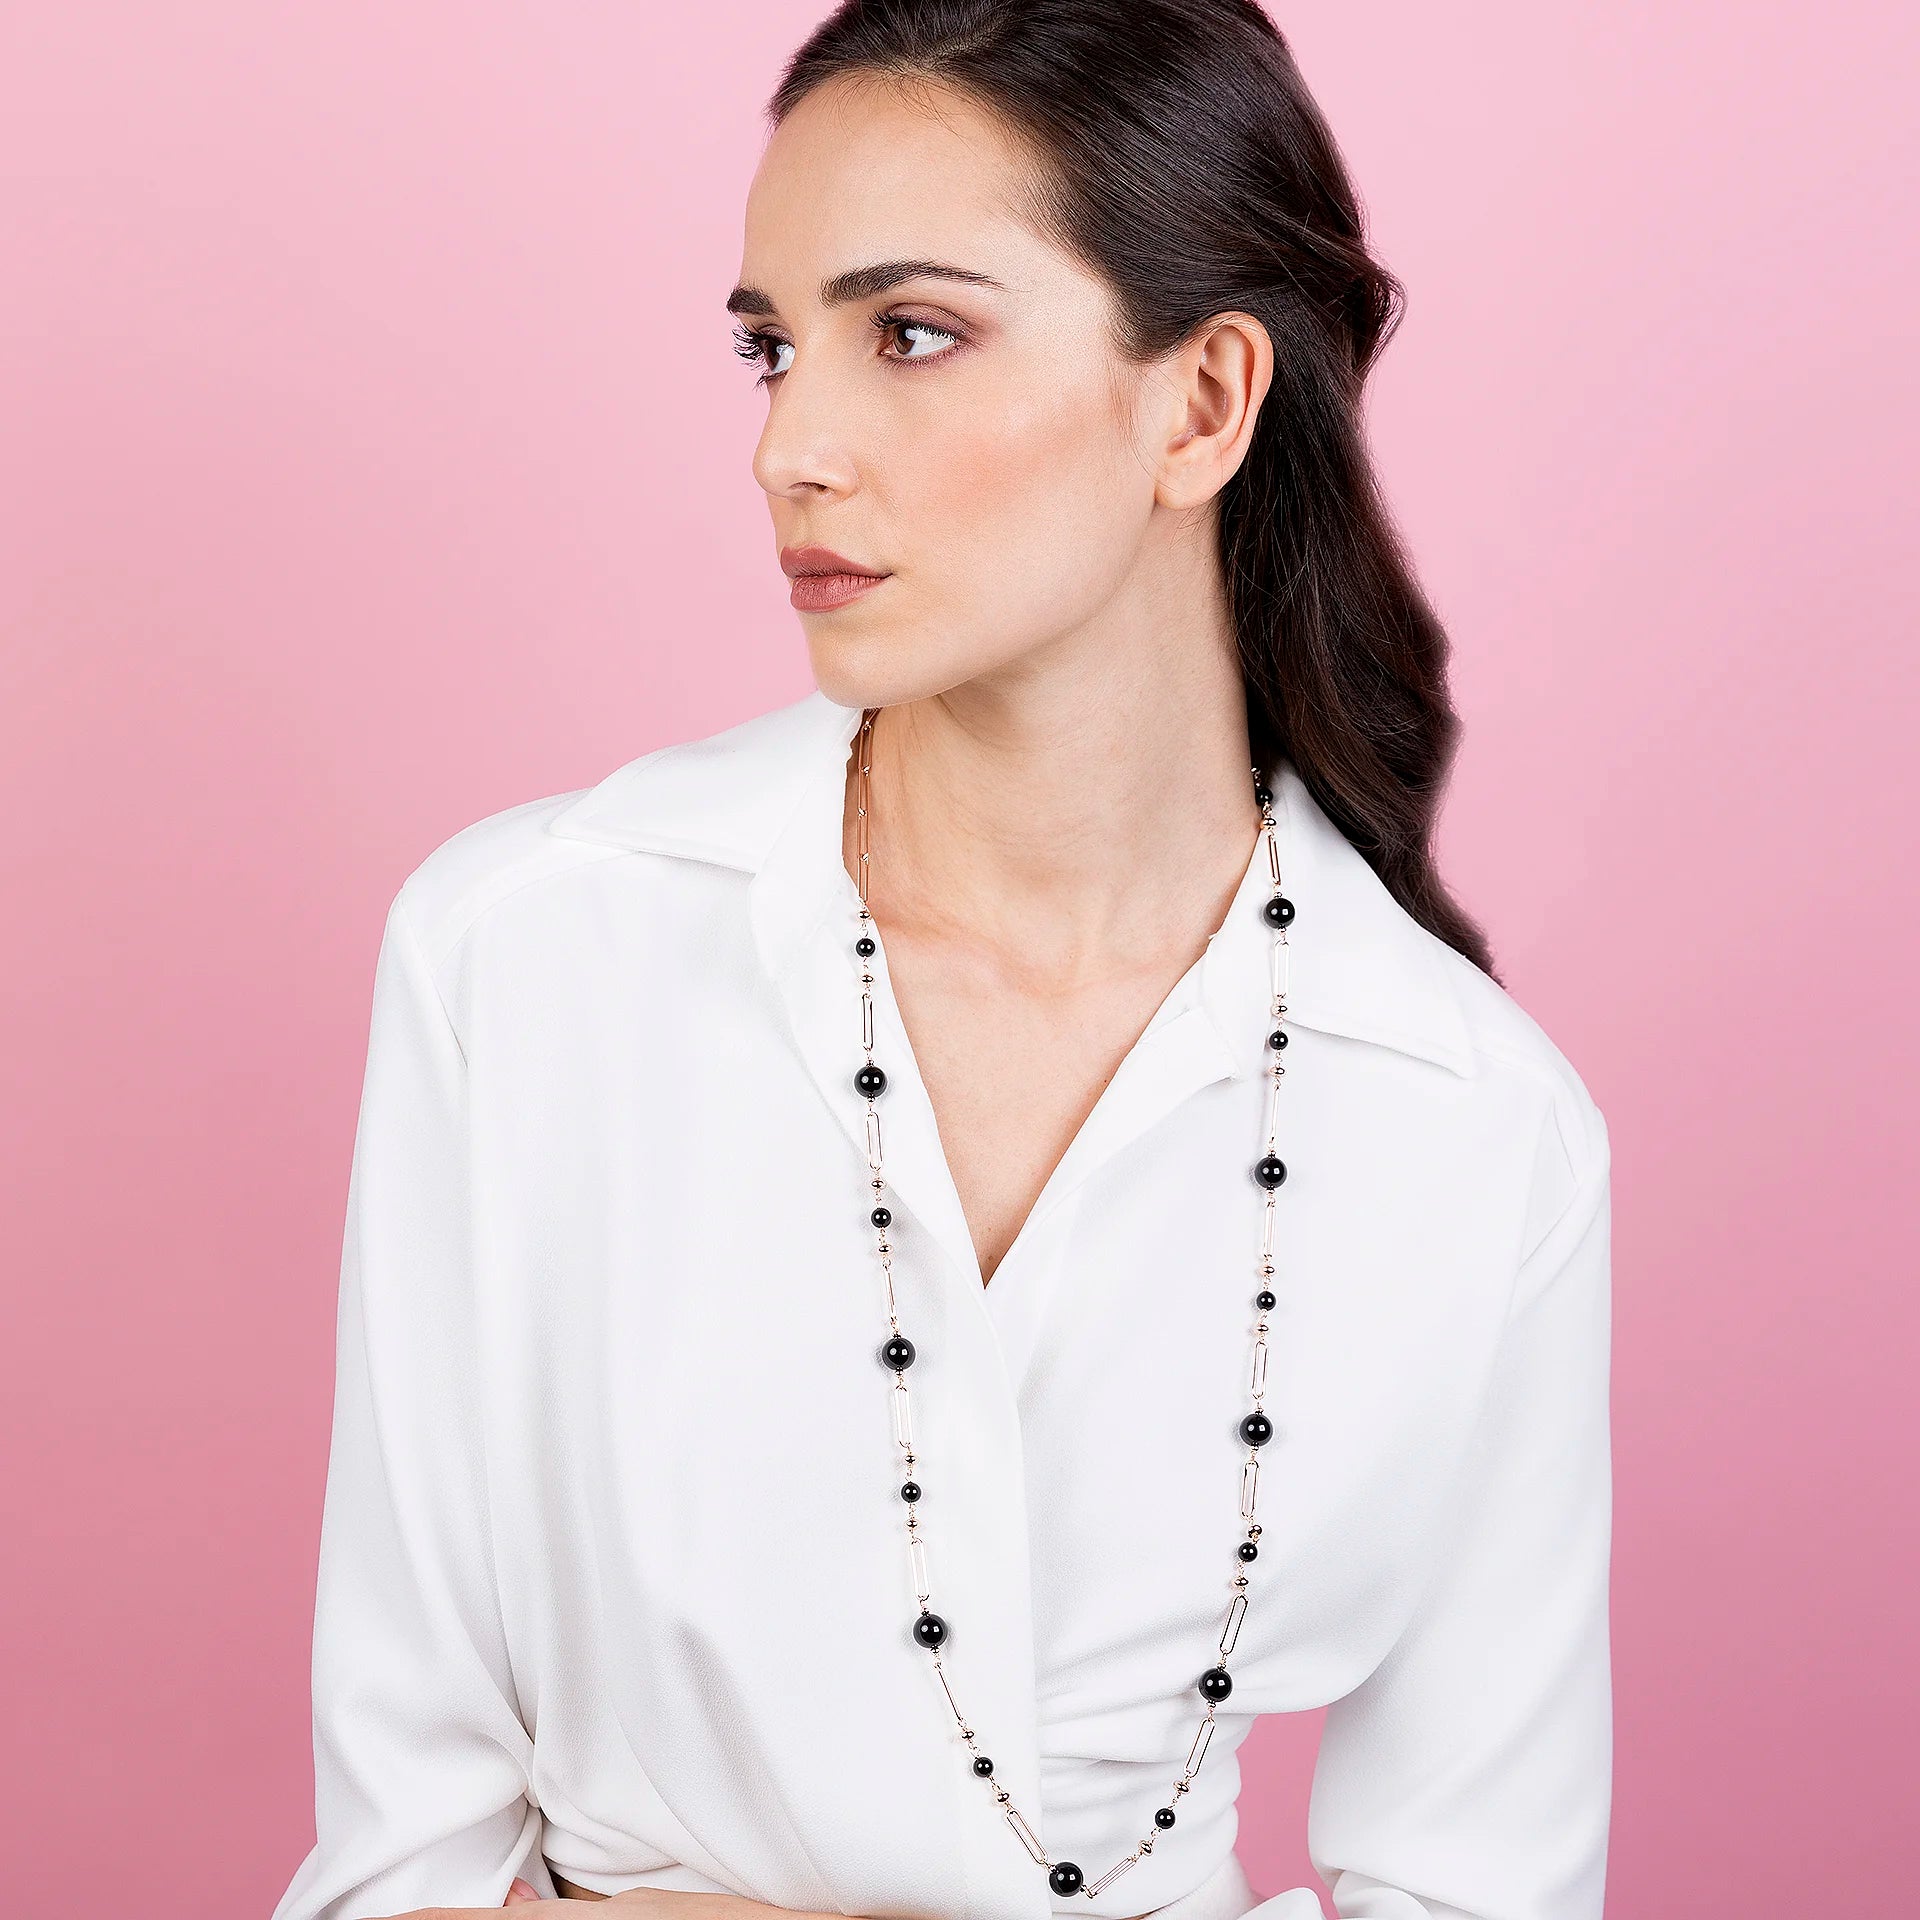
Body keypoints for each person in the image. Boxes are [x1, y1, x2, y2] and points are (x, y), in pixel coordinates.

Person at [271, 4, 1612, 1918]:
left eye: (910, 333)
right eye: (770, 347)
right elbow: (396, 1867)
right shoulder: (529, 958)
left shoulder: (1472, 1128)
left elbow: (1482, 1888)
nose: (788, 448)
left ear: (1203, 403)